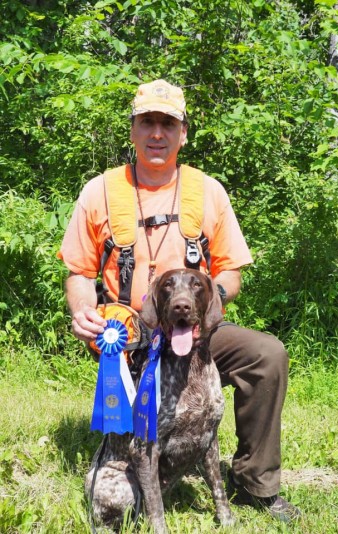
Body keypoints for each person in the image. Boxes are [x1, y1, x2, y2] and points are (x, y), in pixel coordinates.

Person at [58, 79, 300, 523]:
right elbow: (79, 271)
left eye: (167, 124)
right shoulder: (99, 192)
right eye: (147, 122)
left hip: (198, 332)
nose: (157, 133)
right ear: (133, 129)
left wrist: (212, 304)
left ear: (183, 132)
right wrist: (83, 313)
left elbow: (231, 271)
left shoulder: (208, 191)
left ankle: (255, 486)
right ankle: (124, 471)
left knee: (267, 355)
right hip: (130, 336)